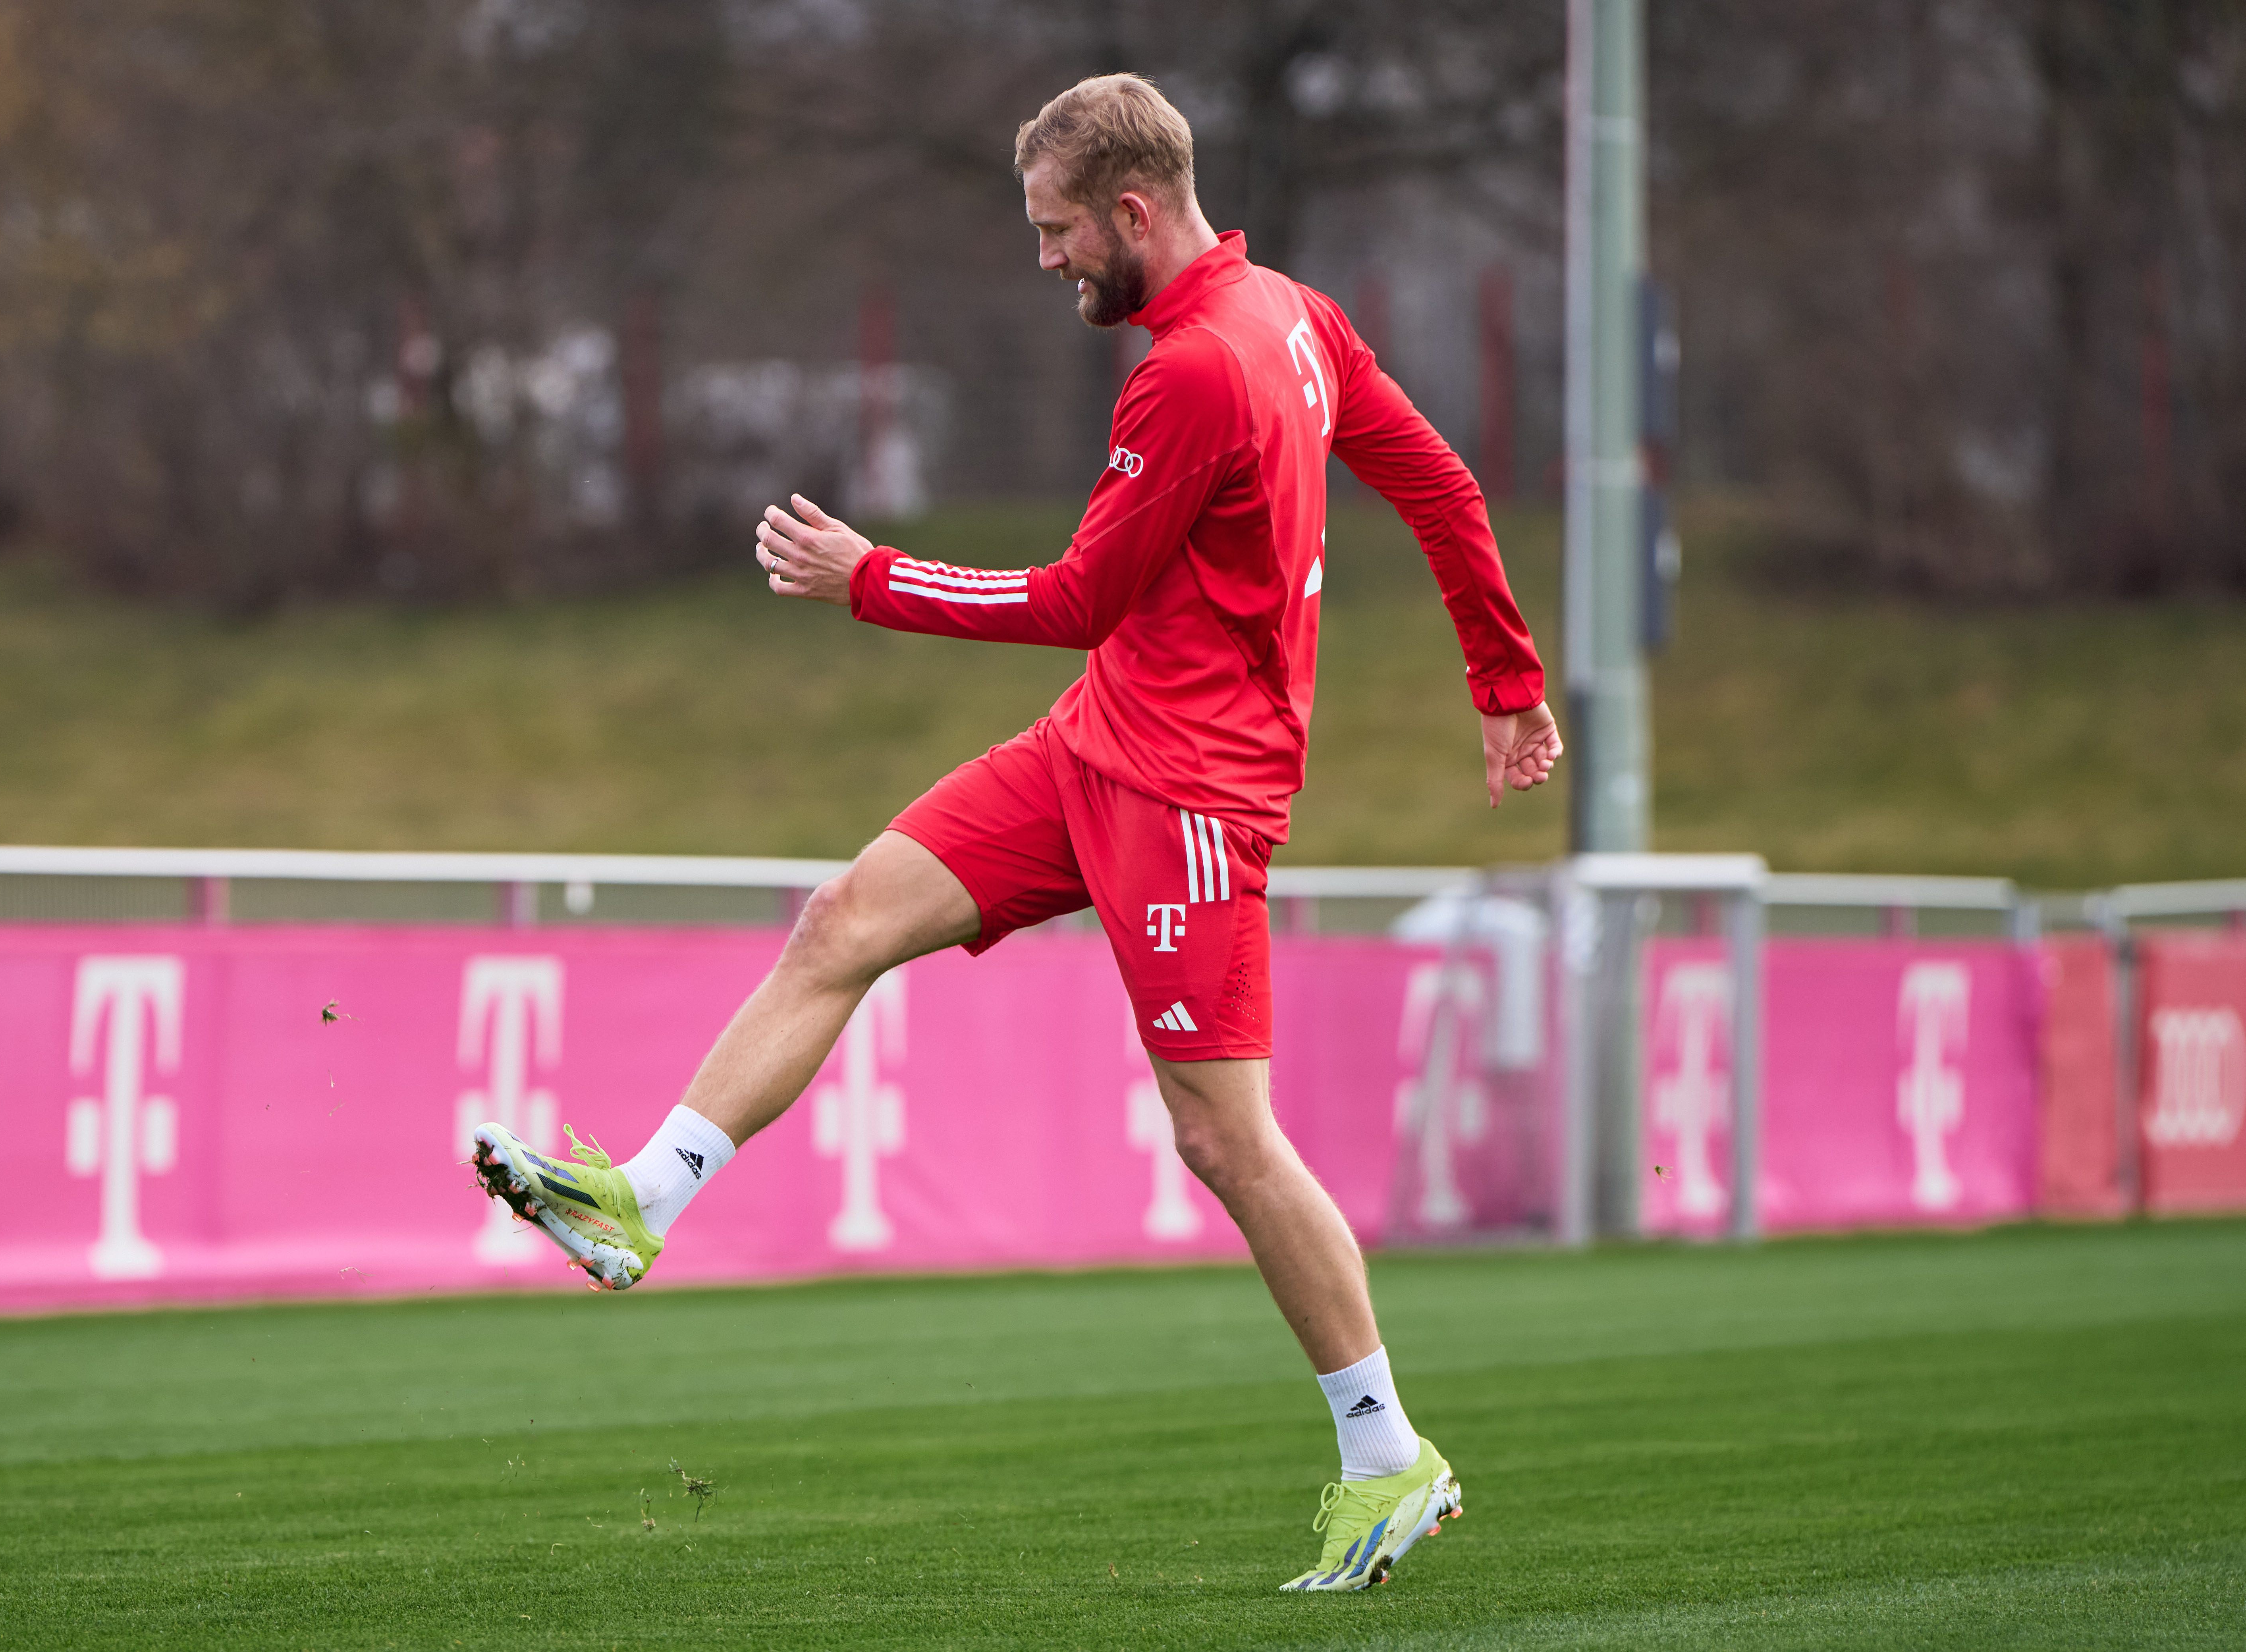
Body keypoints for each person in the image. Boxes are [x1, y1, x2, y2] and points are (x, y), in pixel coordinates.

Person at [470, 72, 1561, 1594]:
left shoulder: (1200, 368)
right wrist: (1504, 677)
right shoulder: (1297, 318)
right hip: (1099, 747)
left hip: (1191, 791)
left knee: (1222, 1138)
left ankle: (1391, 1456)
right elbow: (1436, 482)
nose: (1045, 261)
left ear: (1131, 210)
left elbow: (1078, 600)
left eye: (1056, 232)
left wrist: (872, 577)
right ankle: (639, 1200)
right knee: (844, 919)